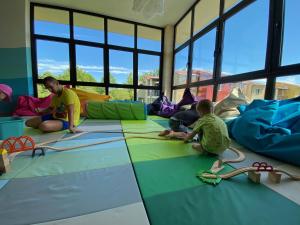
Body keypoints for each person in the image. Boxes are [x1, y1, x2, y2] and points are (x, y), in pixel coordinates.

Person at [161, 99, 231, 155]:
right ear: (212, 109)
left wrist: (186, 140)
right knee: (200, 131)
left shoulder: (202, 120)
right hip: (223, 149)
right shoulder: (220, 119)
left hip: (210, 149)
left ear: (200, 112)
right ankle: (172, 132)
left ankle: (171, 133)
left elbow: (191, 136)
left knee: (194, 144)